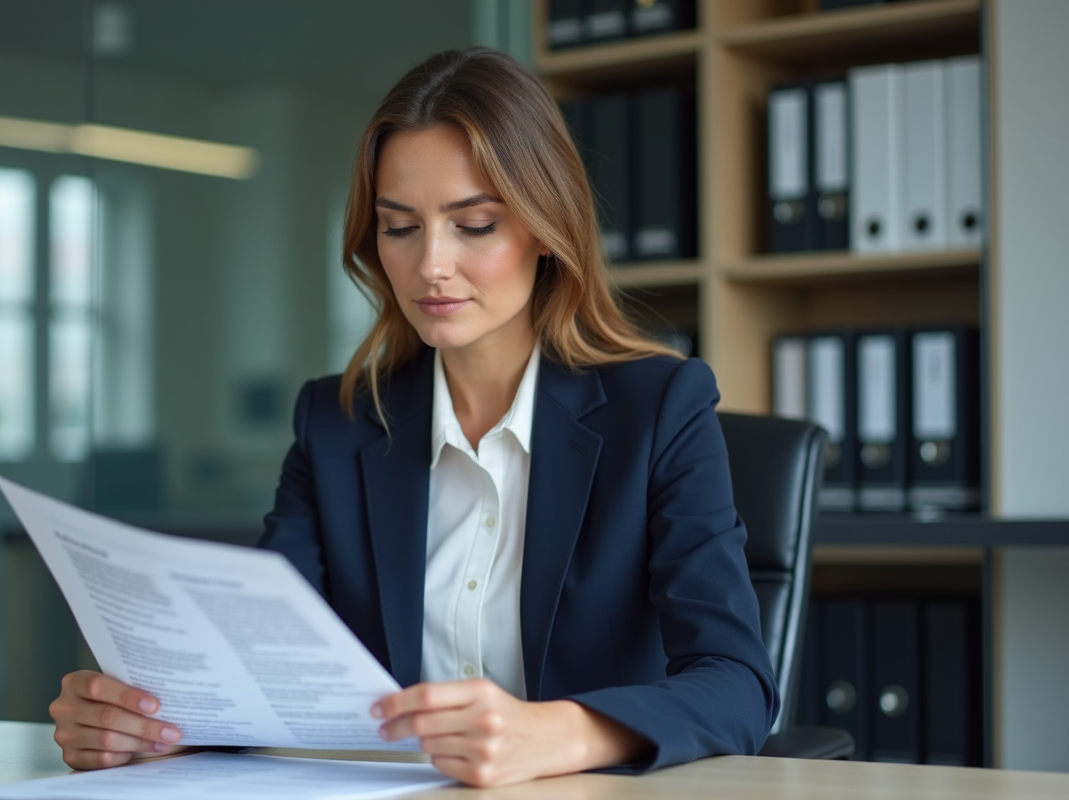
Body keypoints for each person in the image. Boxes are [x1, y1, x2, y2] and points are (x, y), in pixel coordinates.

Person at [49, 46, 779, 788]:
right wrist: (157, 725)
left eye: (475, 225)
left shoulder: (659, 408)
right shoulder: (337, 425)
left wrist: (556, 733)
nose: (431, 264)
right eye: (401, 228)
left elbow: (739, 686)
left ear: (543, 228)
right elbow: (258, 668)